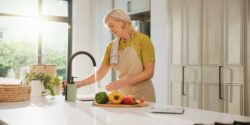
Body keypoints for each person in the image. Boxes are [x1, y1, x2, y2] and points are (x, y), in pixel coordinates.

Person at [75, 8, 156, 102]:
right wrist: (78, 84)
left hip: (143, 97)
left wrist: (122, 83)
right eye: (108, 28)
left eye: (112, 25)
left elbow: (149, 72)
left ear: (122, 21)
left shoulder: (142, 40)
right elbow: (100, 73)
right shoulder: (111, 46)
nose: (110, 30)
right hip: (122, 98)